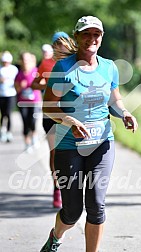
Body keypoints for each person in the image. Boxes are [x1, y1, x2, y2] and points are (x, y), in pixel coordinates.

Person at [40, 16, 138, 252]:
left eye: (96, 34)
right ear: (77, 36)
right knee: (72, 211)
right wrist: (68, 119)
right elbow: (48, 106)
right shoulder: (64, 68)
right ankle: (56, 237)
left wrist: (124, 113)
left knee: (96, 205)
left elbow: (114, 100)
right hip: (69, 145)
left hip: (102, 143)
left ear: (101, 38)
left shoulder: (108, 67)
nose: (91, 39)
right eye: (86, 34)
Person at [31, 32, 77, 208]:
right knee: (55, 153)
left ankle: (73, 187)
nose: (59, 47)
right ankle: (57, 188)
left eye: (62, 44)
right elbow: (35, 84)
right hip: (50, 114)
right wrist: (47, 84)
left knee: (73, 152)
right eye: (56, 44)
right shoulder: (47, 63)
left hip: (70, 113)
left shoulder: (75, 62)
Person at [14, 52, 42, 152]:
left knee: (33, 121)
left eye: (27, 59)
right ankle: (27, 143)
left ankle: (34, 136)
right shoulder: (19, 73)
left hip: (34, 101)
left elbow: (42, 84)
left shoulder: (36, 71)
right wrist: (21, 86)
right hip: (22, 102)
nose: (25, 61)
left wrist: (36, 84)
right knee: (25, 123)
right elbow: (16, 89)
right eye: (24, 59)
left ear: (31, 60)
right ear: (21, 61)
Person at [0, 51, 18, 142]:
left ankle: (9, 131)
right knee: (3, 114)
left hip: (11, 94)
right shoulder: (0, 69)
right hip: (1, 94)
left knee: (8, 113)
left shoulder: (14, 69)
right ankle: (2, 131)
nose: (5, 63)